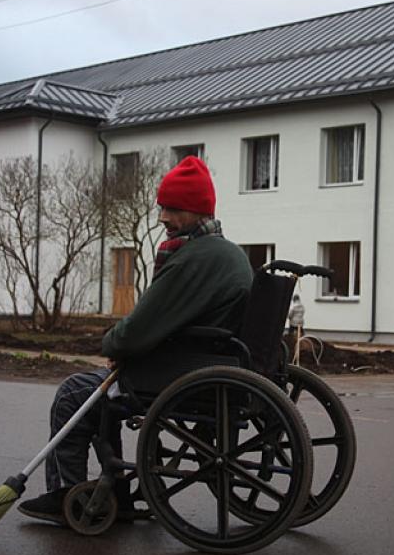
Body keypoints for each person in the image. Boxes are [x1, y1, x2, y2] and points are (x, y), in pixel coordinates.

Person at [18, 156, 254, 524]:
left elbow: (138, 329)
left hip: (178, 375)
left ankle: (66, 495)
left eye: (172, 209)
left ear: (195, 211)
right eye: (162, 208)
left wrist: (115, 346)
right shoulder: (230, 254)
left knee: (74, 392)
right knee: (96, 391)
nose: (163, 218)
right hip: (209, 366)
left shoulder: (193, 258)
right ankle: (112, 489)